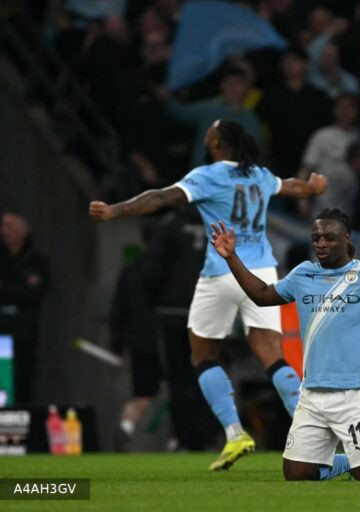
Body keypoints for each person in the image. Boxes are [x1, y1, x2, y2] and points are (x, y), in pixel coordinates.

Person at [89, 119, 328, 470]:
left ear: (217, 144)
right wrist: (311, 187)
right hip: (261, 273)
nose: (205, 138)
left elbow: (160, 197)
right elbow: (289, 187)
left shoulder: (207, 175)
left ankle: (235, 434)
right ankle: (311, 434)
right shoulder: (258, 175)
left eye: (208, 135)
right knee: (272, 356)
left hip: (222, 272)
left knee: (201, 355)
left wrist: (116, 210)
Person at [209, 209, 360, 481]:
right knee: (297, 474)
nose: (321, 243)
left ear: (346, 239)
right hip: (312, 393)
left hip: (354, 392)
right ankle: (353, 463)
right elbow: (262, 295)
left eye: (329, 238)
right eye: (316, 237)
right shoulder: (303, 275)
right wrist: (231, 258)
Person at [0, 211, 49, 404]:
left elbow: (33, 293)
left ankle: (19, 432)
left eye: (10, 226)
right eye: (3, 226)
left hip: (23, 336)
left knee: (22, 385)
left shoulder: (37, 260)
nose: (4, 231)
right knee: (2, 388)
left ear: (23, 230)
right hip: (1, 334)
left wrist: (6, 288)